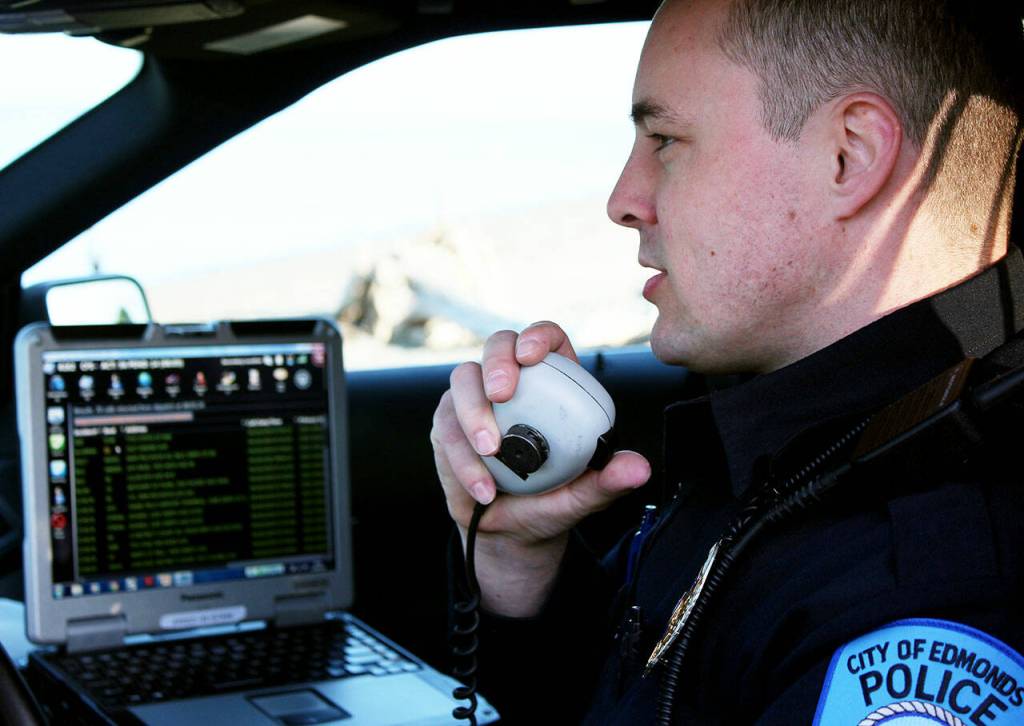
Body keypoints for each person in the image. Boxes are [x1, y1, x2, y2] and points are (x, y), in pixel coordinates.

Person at [431, 0, 1024, 722]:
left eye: (666, 140)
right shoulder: (782, 448)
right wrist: (516, 560)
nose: (624, 201)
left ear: (850, 155)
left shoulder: (926, 588)